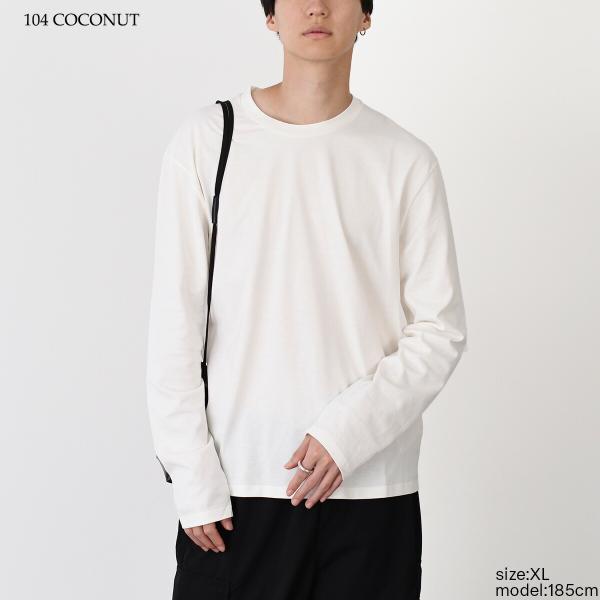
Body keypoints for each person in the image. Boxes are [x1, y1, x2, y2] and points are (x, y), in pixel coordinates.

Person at [146, 1, 468, 598]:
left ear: (366, 16)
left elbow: (439, 329)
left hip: (371, 494)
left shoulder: (405, 159)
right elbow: (175, 326)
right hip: (237, 492)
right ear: (270, 16)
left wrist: (347, 435)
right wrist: (192, 478)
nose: (316, 6)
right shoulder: (208, 141)